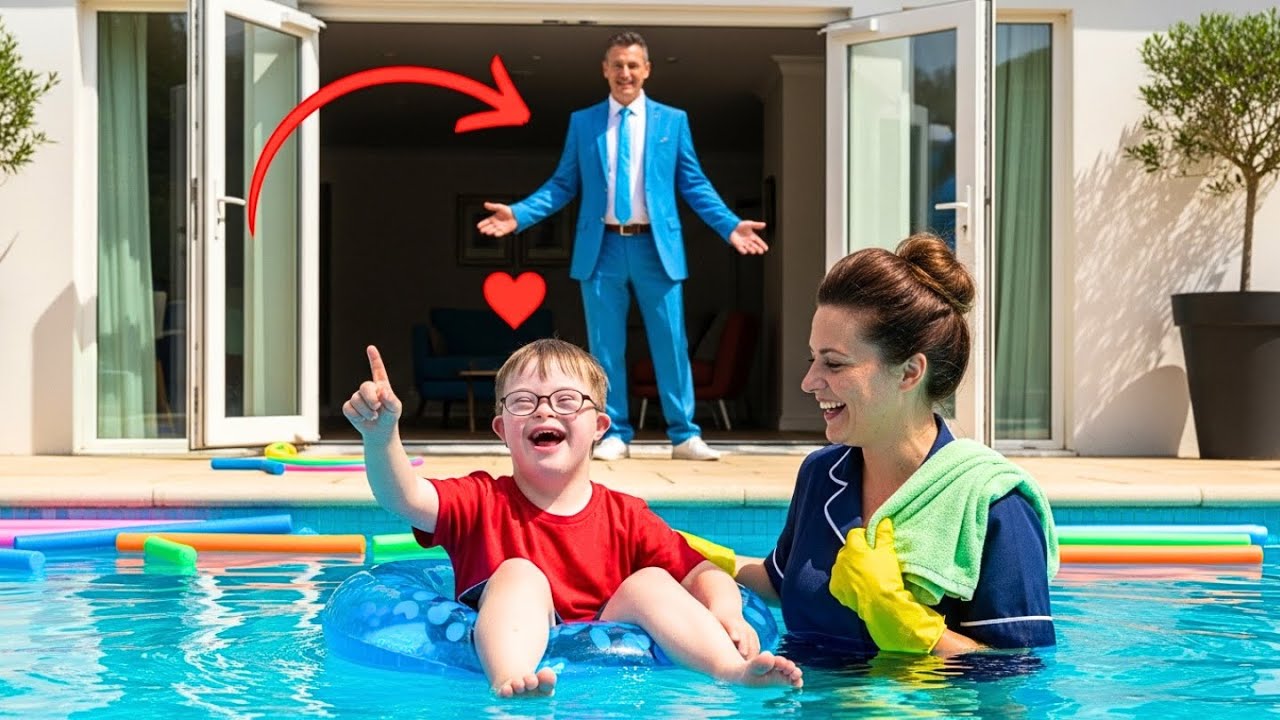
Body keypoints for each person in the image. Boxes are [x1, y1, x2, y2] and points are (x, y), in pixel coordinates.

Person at [343, 338, 803, 696]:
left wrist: (727, 613)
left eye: (566, 401)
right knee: (519, 573)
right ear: (502, 429)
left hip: (610, 645)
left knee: (651, 582)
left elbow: (705, 573)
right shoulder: (480, 500)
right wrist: (381, 437)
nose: (544, 410)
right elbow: (403, 496)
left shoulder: (626, 515)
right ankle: (512, 680)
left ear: (599, 427)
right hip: (514, 638)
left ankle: (730, 670)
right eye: (523, 402)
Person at [692, 233, 1058, 656]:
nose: (809, 382)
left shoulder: (995, 506)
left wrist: (903, 621)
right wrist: (687, 553)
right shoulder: (821, 475)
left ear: (909, 372)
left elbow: (1017, 676)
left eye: (834, 363)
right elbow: (782, 581)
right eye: (812, 359)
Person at [476, 30, 769, 462]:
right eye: (617, 65)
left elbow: (693, 183)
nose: (625, 73)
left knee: (670, 343)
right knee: (605, 348)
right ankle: (614, 432)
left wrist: (729, 225)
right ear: (605, 70)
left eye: (633, 65)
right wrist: (519, 214)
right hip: (603, 248)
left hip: (656, 247)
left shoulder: (672, 121)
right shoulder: (584, 122)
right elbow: (563, 184)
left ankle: (684, 435)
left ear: (646, 69)